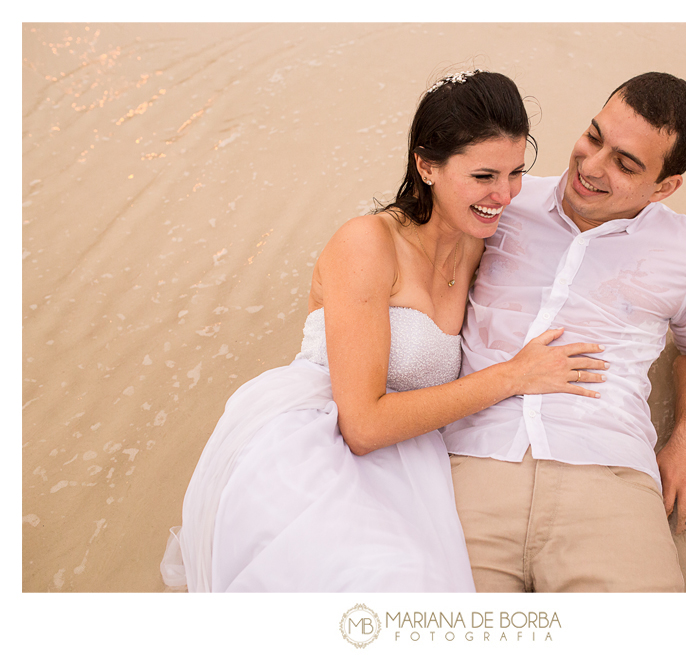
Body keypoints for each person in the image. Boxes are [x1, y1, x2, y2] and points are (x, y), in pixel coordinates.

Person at [159, 70, 606, 592]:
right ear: (426, 165)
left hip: (412, 454)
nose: (505, 195)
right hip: (316, 440)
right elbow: (364, 426)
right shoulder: (366, 244)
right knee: (381, 582)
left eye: (515, 173)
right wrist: (513, 376)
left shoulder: (481, 240)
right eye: (484, 177)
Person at [442, 72, 686, 592]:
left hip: (608, 472)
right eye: (594, 137)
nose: (590, 167)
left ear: (664, 187)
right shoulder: (500, 204)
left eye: (625, 164)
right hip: (471, 461)